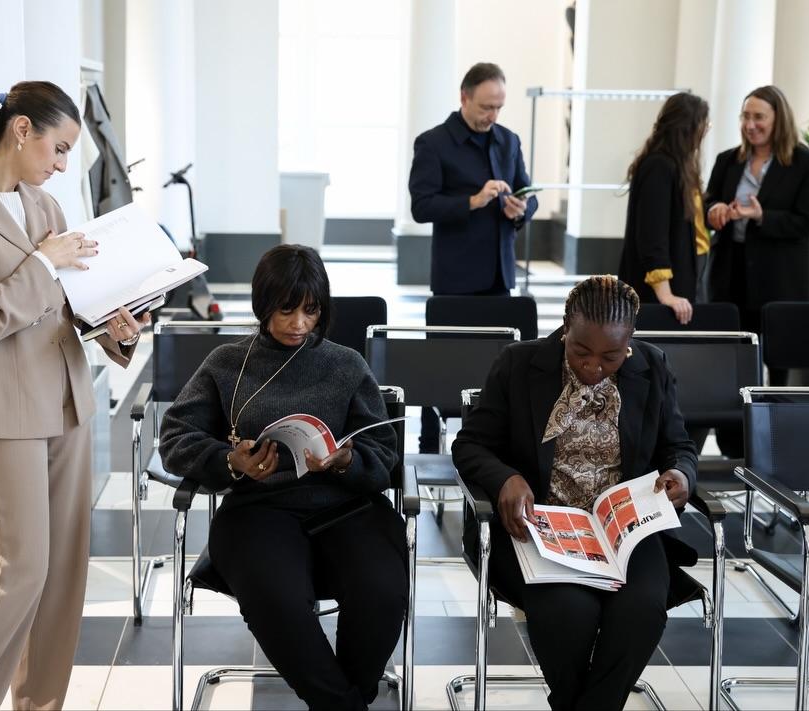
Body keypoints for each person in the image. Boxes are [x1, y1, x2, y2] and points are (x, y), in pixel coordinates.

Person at [0, 81, 149, 710]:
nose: (63, 165)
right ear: (22, 130)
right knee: (20, 568)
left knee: (64, 570)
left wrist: (116, 330)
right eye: (60, 148)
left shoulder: (45, 206)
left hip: (69, 397)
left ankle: (40, 704)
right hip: (6, 406)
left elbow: (68, 309)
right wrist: (44, 263)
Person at [158, 245, 408, 711]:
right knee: (278, 601)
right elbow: (174, 437)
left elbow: (383, 451)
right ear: (263, 304)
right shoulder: (227, 363)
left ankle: (342, 701)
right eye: (286, 310)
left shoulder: (346, 365)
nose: (298, 323)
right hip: (257, 510)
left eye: (310, 311)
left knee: (382, 591)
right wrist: (231, 461)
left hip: (347, 507)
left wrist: (345, 461)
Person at [452, 276, 698, 711]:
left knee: (641, 611)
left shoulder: (653, 366)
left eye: (611, 356)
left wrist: (681, 474)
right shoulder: (518, 364)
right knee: (568, 613)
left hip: (624, 530)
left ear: (630, 341)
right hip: (540, 528)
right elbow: (470, 445)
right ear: (566, 327)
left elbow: (678, 446)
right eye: (581, 351)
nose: (593, 366)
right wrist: (506, 478)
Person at [408, 61, 539, 453]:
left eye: (498, 107)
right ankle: (429, 442)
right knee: (443, 364)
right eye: (485, 107)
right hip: (455, 276)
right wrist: (473, 201)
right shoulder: (433, 143)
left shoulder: (509, 140)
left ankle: (491, 439)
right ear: (464, 98)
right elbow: (421, 206)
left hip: (499, 274)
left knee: (497, 367)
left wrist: (521, 210)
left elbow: (528, 193)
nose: (492, 115)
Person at [705, 85, 809, 339]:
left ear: (779, 120)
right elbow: (707, 202)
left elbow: (808, 220)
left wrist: (761, 216)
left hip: (779, 278)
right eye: (745, 116)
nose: (750, 125)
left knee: (778, 351)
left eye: (759, 117)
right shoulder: (727, 160)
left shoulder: (805, 163)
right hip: (729, 275)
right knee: (729, 351)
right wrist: (715, 209)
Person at [619, 93, 711, 324]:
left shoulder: (678, 166)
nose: (705, 132)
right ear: (689, 128)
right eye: (704, 125)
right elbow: (652, 236)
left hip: (681, 280)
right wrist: (665, 294)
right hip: (659, 293)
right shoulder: (659, 166)